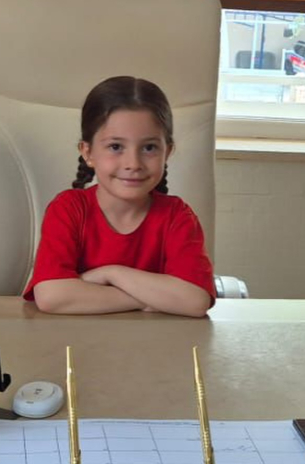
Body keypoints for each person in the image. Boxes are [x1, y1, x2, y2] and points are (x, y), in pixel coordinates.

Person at [23, 76, 215, 316]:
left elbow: (194, 301)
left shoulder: (177, 216)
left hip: (157, 339)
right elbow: (52, 297)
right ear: (88, 152)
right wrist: (150, 299)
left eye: (149, 148)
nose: (133, 163)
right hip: (74, 338)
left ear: (167, 152)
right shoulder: (68, 209)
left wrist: (111, 274)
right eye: (115, 147)